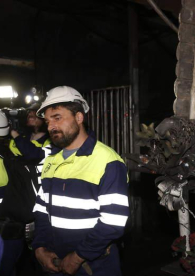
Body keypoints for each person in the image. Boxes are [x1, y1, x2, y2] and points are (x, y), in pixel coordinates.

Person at [32, 86, 129, 275]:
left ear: (79, 117)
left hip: (95, 265)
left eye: (57, 117)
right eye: (47, 121)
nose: (51, 126)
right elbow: (41, 208)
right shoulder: (52, 159)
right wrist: (40, 247)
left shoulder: (107, 161)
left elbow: (113, 221)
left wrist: (77, 257)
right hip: (54, 262)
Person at [0, 110, 37, 276]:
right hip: (14, 228)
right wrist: (14, 133)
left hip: (5, 229)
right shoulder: (13, 147)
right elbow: (35, 154)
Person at [9, 104, 52, 187]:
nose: (30, 114)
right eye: (29, 113)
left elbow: (33, 154)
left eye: (35, 113)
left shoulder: (50, 140)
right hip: (18, 184)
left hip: (38, 184)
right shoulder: (23, 137)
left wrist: (15, 135)